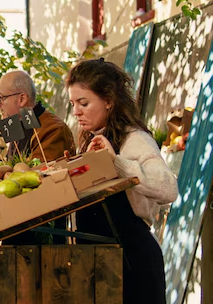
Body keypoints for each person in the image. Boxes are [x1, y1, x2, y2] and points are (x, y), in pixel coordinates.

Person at [66, 58, 178, 303]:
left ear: (108, 101)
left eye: (83, 103)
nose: (76, 111)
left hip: (133, 265)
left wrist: (116, 162)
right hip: (102, 264)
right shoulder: (90, 140)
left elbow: (168, 189)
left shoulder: (135, 139)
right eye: (73, 103)